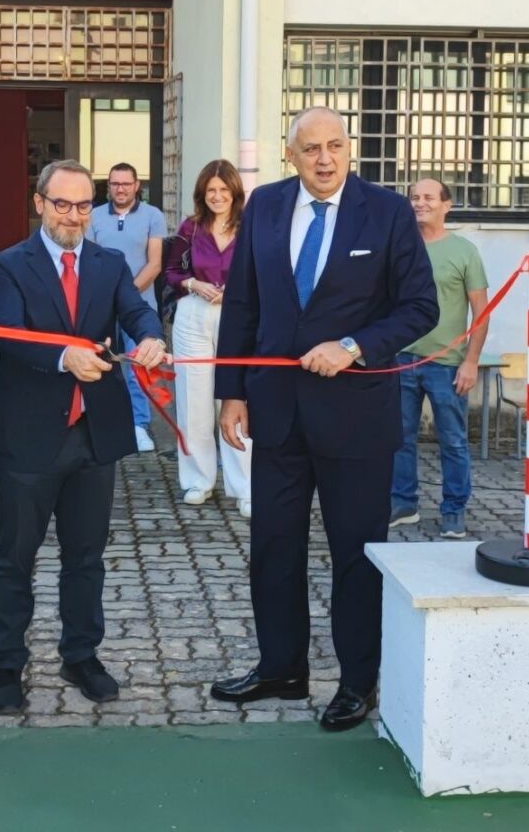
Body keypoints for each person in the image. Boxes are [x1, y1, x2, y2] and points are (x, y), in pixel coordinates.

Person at [210, 107, 438, 732]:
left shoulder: (387, 212)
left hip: (355, 420)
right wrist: (231, 393)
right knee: (273, 548)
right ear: (292, 156)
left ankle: (359, 682)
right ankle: (281, 667)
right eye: (310, 149)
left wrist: (354, 345)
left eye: (335, 145)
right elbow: (245, 304)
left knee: (356, 556)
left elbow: (420, 306)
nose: (325, 159)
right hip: (277, 412)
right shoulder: (264, 207)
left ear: (350, 148)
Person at [0, 159, 167, 715]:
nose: (73, 215)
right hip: (29, 435)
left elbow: (136, 311)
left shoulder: (109, 264)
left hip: (94, 431)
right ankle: (6, 664)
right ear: (39, 203)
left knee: (86, 556)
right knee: (15, 557)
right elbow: (7, 336)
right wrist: (65, 356)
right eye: (61, 204)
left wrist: (152, 338)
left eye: (84, 205)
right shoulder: (10, 265)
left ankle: (81, 655)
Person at [387, 178, 490, 540]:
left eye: (429, 197)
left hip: (447, 364)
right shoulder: (399, 248)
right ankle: (403, 503)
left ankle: (453, 509)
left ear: (447, 204)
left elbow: (481, 311)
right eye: (414, 197)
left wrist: (471, 361)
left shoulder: (463, 251)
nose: (420, 203)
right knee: (398, 438)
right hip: (402, 360)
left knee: (453, 440)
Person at [164, 159, 252, 516]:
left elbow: (263, 272)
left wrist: (235, 289)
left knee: (236, 398)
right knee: (193, 401)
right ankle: (198, 480)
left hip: (237, 316)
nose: (217, 196)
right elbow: (171, 272)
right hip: (193, 316)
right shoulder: (191, 227)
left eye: (223, 190)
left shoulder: (250, 227)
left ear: (234, 193)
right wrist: (193, 283)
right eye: (211, 190)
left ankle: (245, 486)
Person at [87, 161, 167, 453]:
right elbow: (90, 261)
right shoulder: (93, 216)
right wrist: (109, 299)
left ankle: (139, 425)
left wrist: (126, 296)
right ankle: (106, 423)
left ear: (137, 186)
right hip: (101, 306)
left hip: (138, 308)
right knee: (104, 365)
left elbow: (155, 263)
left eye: (126, 183)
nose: (120, 189)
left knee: (137, 366)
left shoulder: (153, 216)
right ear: (108, 187)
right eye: (114, 184)